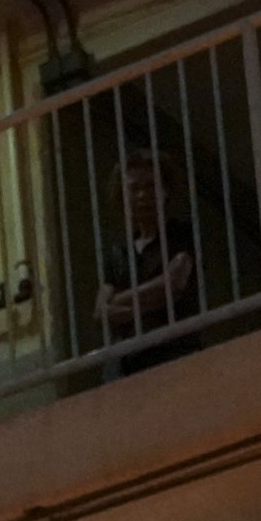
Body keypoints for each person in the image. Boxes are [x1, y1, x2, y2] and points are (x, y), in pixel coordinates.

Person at [97, 148, 206, 374]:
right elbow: (101, 312)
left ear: (165, 191)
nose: (142, 196)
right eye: (134, 189)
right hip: (131, 364)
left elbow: (172, 285)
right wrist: (149, 301)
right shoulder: (119, 252)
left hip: (177, 354)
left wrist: (121, 299)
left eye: (150, 186)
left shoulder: (183, 234)